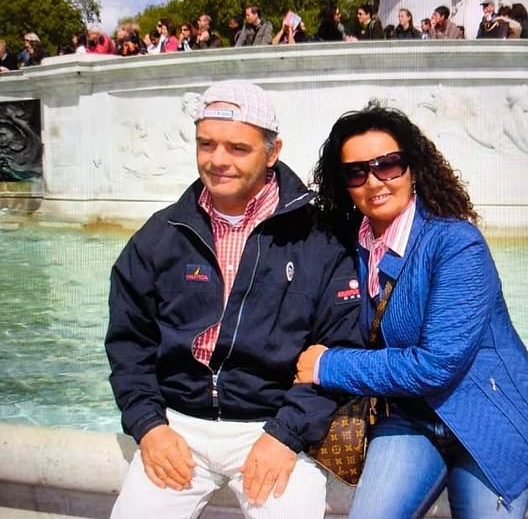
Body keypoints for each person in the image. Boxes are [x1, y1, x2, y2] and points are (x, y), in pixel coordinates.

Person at [105, 80, 362, 519]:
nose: (217, 160)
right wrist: (149, 427)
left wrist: (286, 433)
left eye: (237, 148)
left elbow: (341, 349)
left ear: (272, 151)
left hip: (275, 426)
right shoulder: (158, 235)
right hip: (177, 425)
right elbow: (129, 344)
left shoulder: (321, 239)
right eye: (207, 144)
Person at [295, 105, 528, 519]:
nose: (373, 181)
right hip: (409, 418)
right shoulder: (352, 243)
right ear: (343, 184)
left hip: (488, 422)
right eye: (356, 172)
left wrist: (327, 365)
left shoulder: (456, 244)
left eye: (388, 165)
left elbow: (434, 364)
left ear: (413, 168)